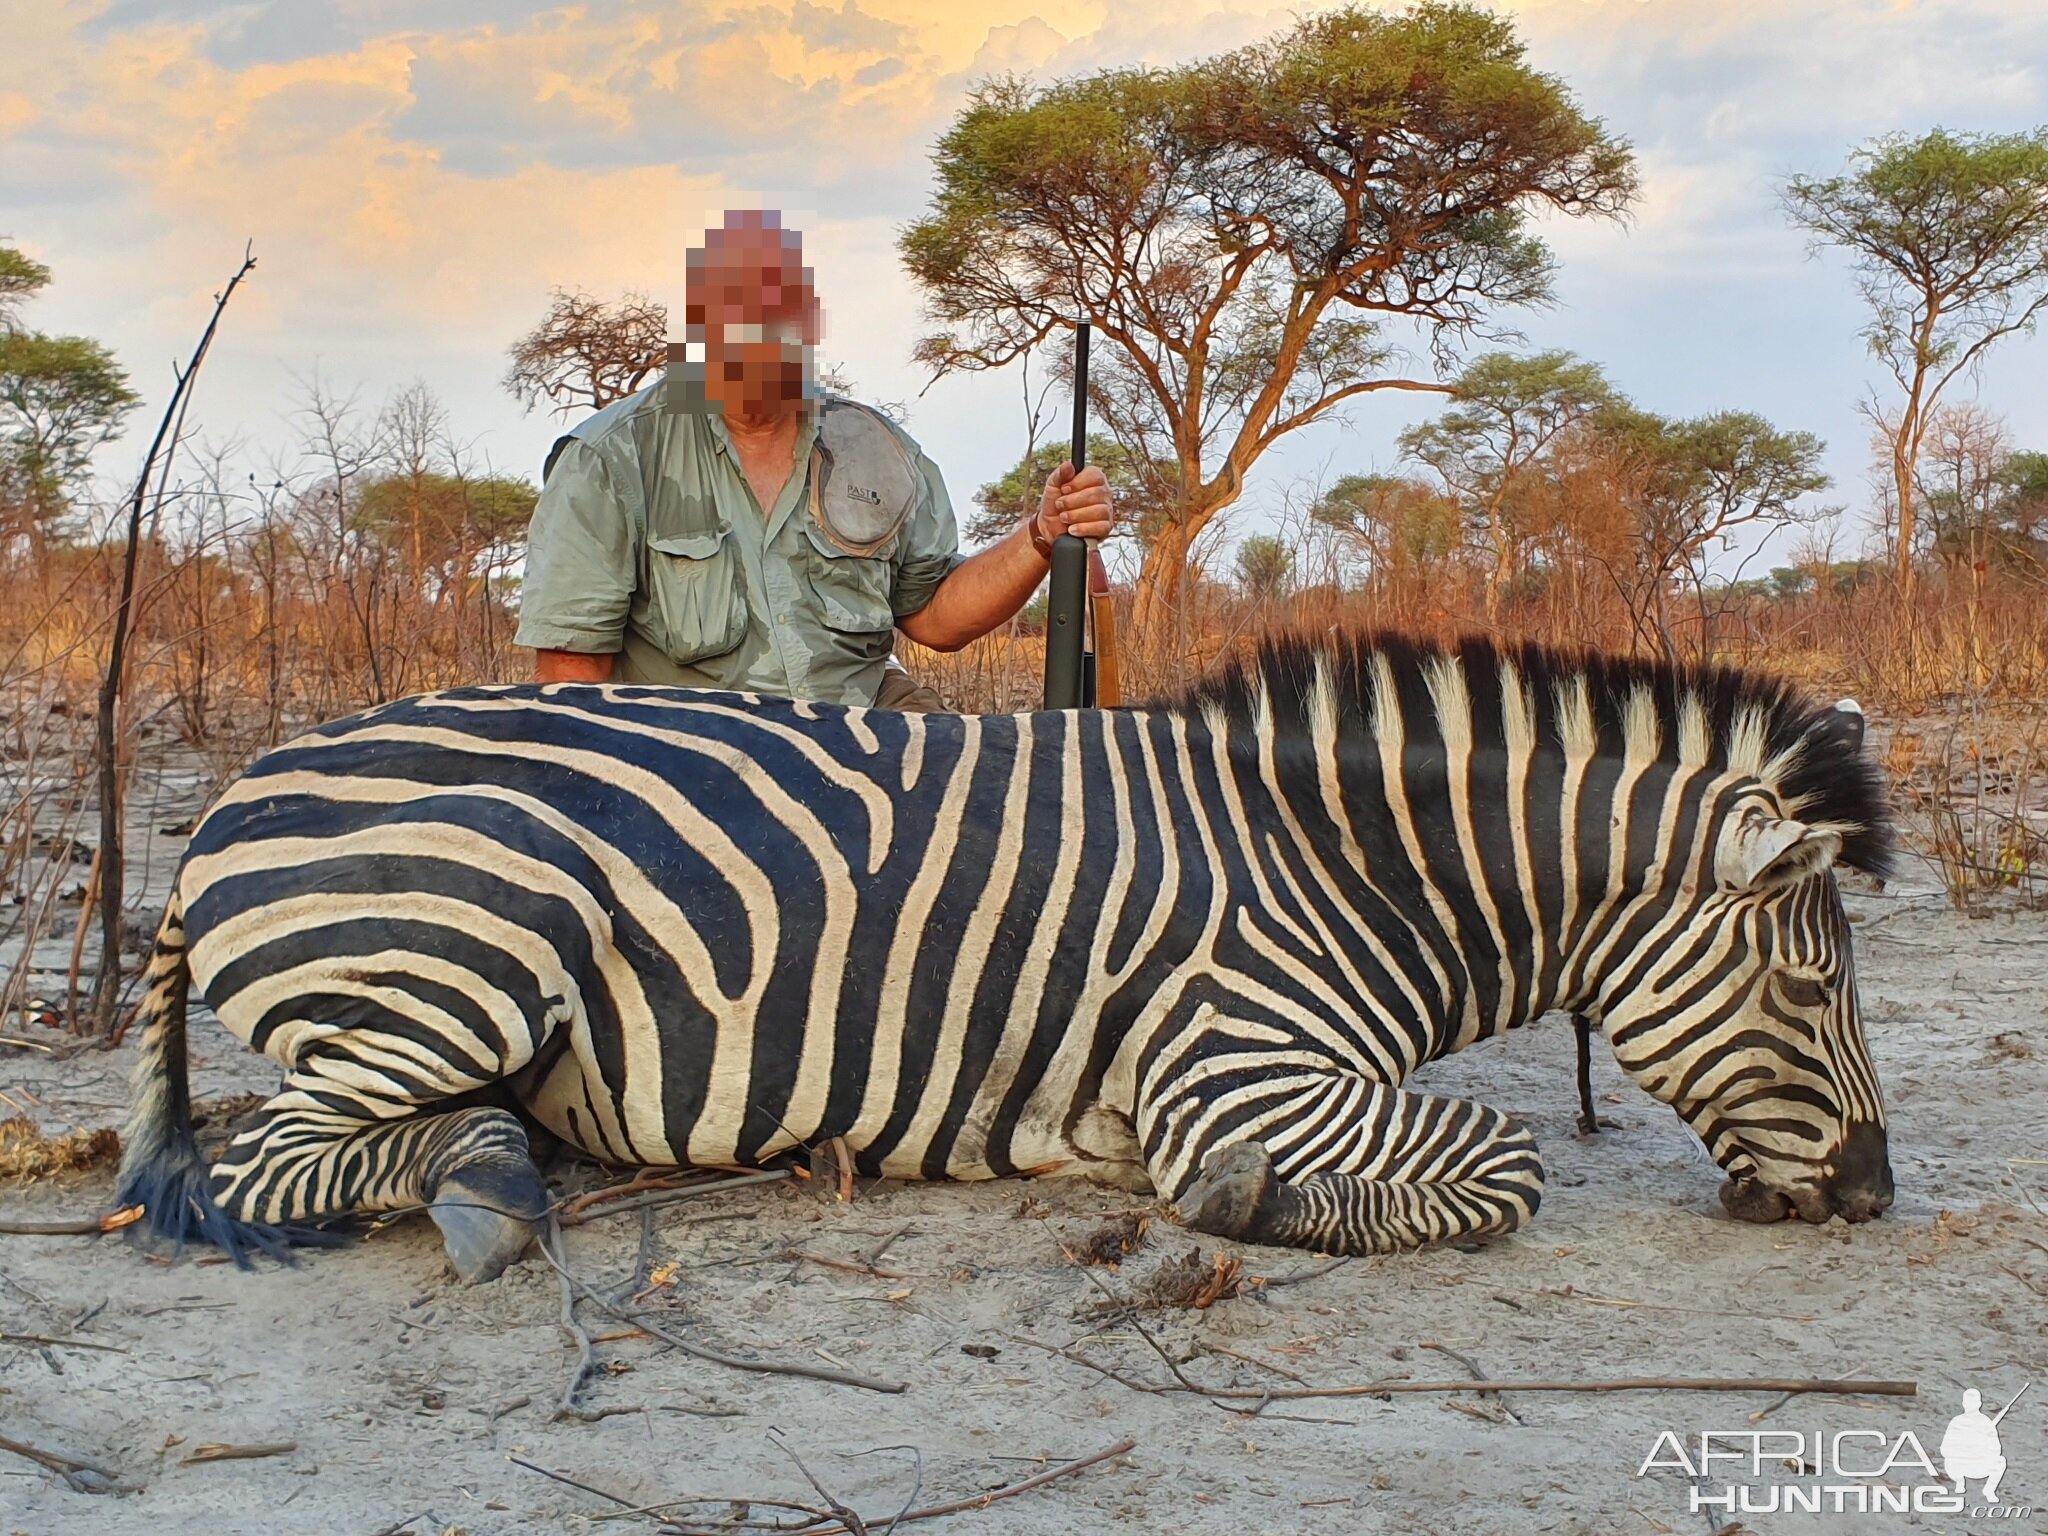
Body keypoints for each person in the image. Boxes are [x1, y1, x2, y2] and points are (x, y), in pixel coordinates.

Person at [514, 209, 1114, 710]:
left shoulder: (879, 449)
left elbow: (934, 618)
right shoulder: (609, 457)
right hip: (693, 753)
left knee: (998, 799)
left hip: (860, 730)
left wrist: (1043, 533)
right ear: (701, 326)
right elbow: (572, 674)